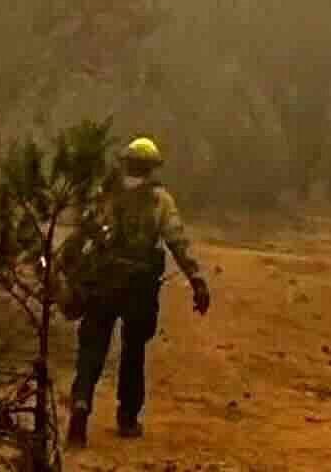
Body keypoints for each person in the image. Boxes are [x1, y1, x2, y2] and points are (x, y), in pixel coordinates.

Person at [59, 135, 209, 447]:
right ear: (152, 168)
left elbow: (80, 236)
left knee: (92, 348)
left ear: (125, 163)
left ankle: (81, 403)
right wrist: (196, 280)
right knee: (133, 351)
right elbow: (177, 242)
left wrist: (65, 270)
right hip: (139, 287)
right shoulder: (160, 200)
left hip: (102, 281)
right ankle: (127, 419)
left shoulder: (105, 194)